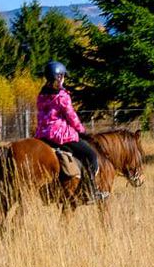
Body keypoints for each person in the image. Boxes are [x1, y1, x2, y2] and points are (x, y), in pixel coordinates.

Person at [34, 61, 104, 204]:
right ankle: (90, 191)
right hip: (59, 135)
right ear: (59, 77)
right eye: (63, 76)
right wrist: (82, 131)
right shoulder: (62, 95)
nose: (64, 78)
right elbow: (71, 116)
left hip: (42, 135)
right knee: (90, 155)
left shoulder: (41, 94)